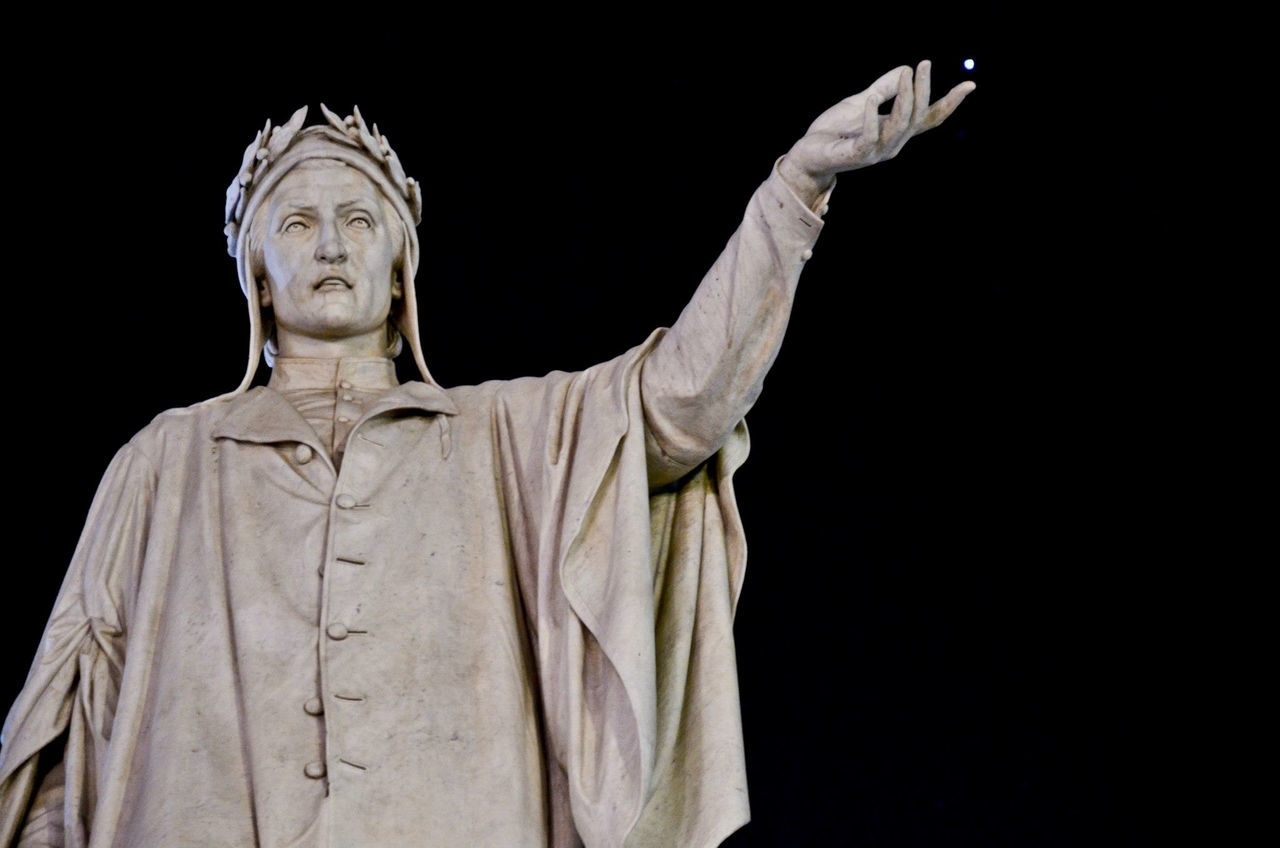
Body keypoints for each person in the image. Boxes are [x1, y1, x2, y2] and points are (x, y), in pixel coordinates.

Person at [0, 63, 973, 848]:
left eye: (360, 221)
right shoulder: (163, 462)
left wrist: (793, 190)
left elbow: (680, 402)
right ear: (254, 268)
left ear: (399, 269)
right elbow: (58, 741)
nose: (332, 245)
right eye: (298, 222)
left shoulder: (507, 434)